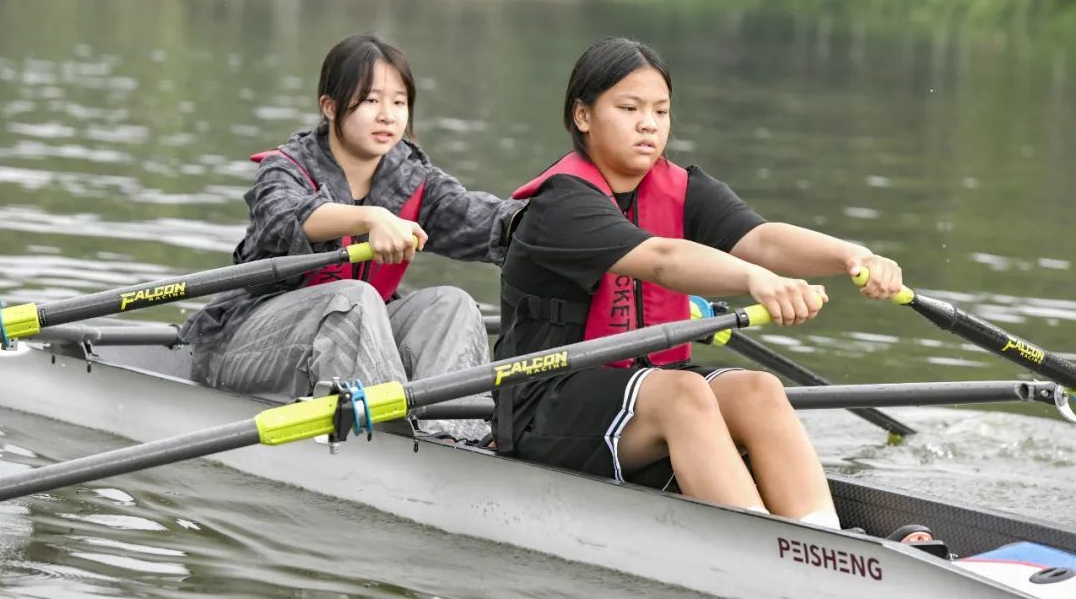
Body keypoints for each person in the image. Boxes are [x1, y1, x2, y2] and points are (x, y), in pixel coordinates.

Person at [491, 37, 905, 528]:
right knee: (681, 394)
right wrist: (757, 281)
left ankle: (819, 538)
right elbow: (663, 259)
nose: (649, 123)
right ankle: (758, 548)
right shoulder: (562, 204)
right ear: (583, 115)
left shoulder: (682, 186)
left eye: (661, 111)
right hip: (544, 404)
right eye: (629, 108)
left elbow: (763, 240)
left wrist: (852, 254)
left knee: (758, 389)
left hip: (640, 389)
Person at [179, 34, 522, 442]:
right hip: (243, 347)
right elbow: (283, 218)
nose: (388, 115)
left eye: (399, 102)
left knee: (452, 304)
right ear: (330, 106)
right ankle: (388, 441)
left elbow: (489, 222)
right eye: (371, 100)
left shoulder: (414, 178)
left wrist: (570, 218)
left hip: (355, 341)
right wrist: (370, 218)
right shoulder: (285, 168)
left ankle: (452, 437)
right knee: (354, 299)